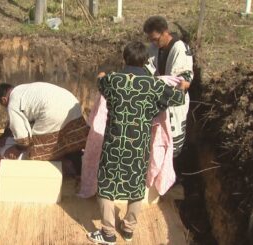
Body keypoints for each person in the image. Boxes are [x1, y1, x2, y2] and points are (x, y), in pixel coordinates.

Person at [87, 41, 187, 245]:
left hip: (114, 143)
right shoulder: (154, 85)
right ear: (146, 61)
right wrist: (179, 88)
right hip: (138, 145)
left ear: (124, 59)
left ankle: (107, 233)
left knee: (106, 186)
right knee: (136, 186)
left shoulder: (113, 80)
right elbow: (178, 98)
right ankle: (128, 229)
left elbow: (100, 82)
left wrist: (102, 75)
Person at [0, 82, 89, 173]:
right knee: (70, 141)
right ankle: (80, 169)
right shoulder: (23, 90)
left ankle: (64, 167)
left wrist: (18, 148)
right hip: (72, 103)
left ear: (4, 99)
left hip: (52, 112)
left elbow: (21, 135)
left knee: (39, 152)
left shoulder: (12, 103)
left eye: (2, 104)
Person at [143, 15, 193, 156]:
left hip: (173, 101)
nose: (153, 42)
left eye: (156, 39)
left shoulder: (180, 49)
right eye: (151, 39)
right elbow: (148, 68)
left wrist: (162, 85)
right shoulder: (153, 47)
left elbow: (184, 79)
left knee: (171, 145)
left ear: (165, 32)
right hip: (157, 99)